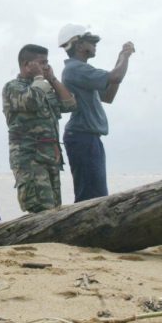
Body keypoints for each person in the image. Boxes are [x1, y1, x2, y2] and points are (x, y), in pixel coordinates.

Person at [58, 24, 136, 202]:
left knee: (96, 194)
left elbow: (108, 96)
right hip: (82, 137)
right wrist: (125, 55)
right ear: (78, 45)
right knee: (90, 197)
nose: (95, 45)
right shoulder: (75, 69)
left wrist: (119, 61)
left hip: (88, 137)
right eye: (91, 41)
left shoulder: (82, 70)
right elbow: (115, 77)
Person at [2, 44, 76, 214]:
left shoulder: (45, 86)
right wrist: (38, 79)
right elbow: (31, 101)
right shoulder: (13, 87)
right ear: (27, 64)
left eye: (46, 63)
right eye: (41, 63)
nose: (45, 67)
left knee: (55, 208)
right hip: (30, 160)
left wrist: (53, 79)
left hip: (50, 158)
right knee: (41, 209)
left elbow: (70, 104)